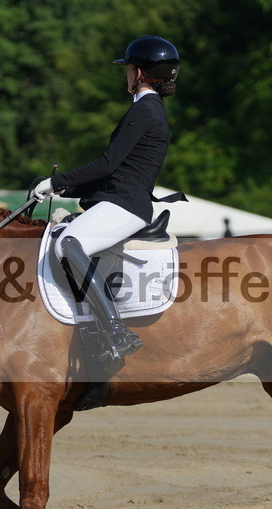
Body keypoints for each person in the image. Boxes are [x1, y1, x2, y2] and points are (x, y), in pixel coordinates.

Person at [34, 35, 179, 363]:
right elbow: (118, 171)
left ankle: (117, 331)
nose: (126, 75)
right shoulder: (148, 109)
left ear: (138, 73)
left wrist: (55, 181)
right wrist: (65, 190)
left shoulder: (145, 110)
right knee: (65, 238)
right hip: (120, 198)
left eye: (128, 69)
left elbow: (108, 163)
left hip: (127, 205)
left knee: (69, 244)